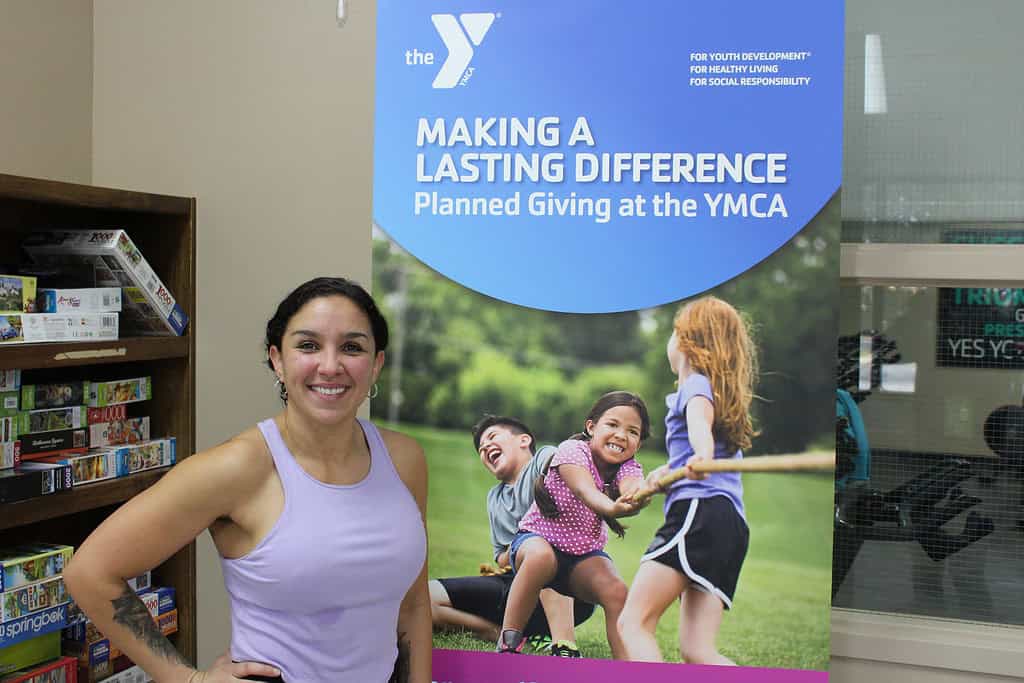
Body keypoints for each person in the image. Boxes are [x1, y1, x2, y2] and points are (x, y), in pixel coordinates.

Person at [64, 277, 430, 683]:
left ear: (376, 364)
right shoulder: (238, 467)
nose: (330, 365)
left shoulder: (403, 459)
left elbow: (412, 605)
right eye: (308, 345)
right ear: (277, 360)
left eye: (352, 347)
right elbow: (89, 574)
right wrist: (187, 679)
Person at [618, 295, 757, 665]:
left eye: (673, 332)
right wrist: (667, 474)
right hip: (729, 525)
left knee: (633, 622)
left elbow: (699, 429)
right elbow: (697, 442)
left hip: (700, 513)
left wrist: (702, 454)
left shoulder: (695, 385)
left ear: (687, 341)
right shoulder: (717, 393)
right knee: (697, 651)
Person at [497, 392, 649, 658]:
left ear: (639, 442)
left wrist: (639, 493)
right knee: (540, 557)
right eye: (612, 425)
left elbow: (631, 486)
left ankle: (627, 669)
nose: (621, 435)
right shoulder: (571, 451)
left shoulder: (629, 468)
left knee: (617, 591)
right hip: (536, 541)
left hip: (581, 557)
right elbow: (585, 491)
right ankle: (509, 644)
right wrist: (614, 507)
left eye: (632, 431)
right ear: (591, 427)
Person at [428, 415, 594, 657]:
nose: (485, 447)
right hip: (513, 586)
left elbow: (563, 466)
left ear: (524, 440)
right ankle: (495, 632)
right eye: (481, 448)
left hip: (568, 587)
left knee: (544, 552)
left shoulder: (543, 460)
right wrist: (520, 546)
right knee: (421, 599)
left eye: (492, 437)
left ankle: (564, 645)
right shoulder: (494, 499)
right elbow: (502, 558)